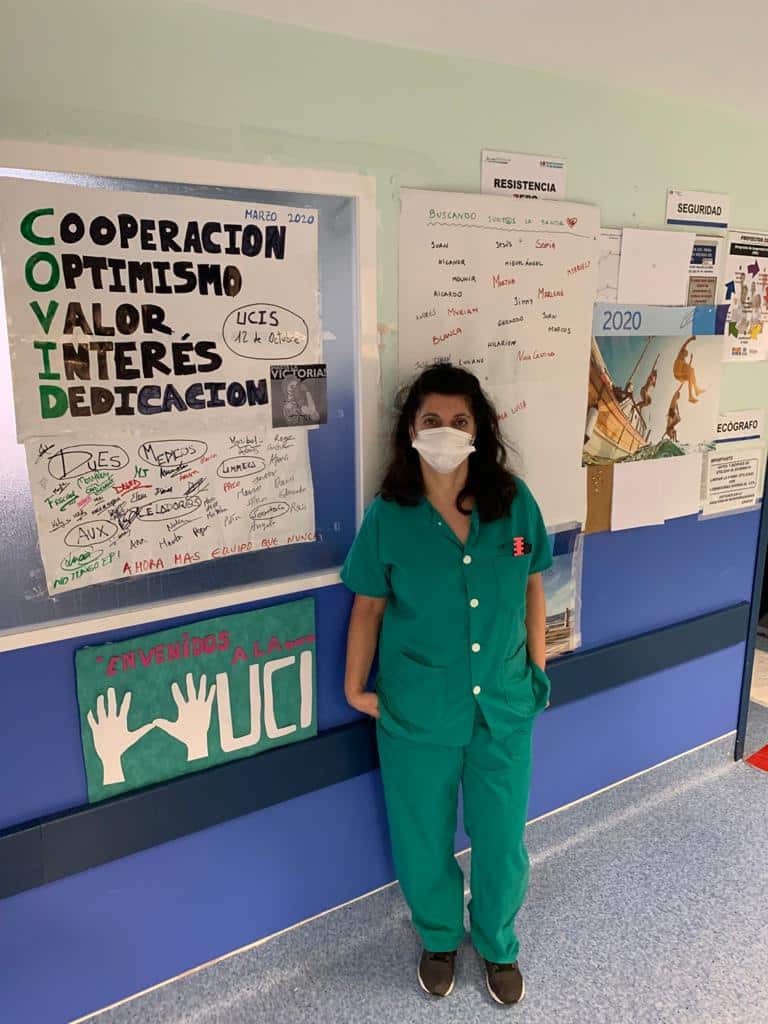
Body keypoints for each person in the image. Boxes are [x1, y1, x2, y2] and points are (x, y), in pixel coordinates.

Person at [340, 363, 552, 1006]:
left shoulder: (514, 502)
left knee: (500, 837)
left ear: (479, 430)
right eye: (431, 420)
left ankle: (496, 942)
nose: (445, 430)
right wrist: (355, 689)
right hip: (416, 710)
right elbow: (368, 608)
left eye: (459, 421)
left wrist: (537, 670)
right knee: (422, 834)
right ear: (410, 430)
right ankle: (438, 935)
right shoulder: (388, 516)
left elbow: (534, 585)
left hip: (505, 708)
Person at [672, 337, 705, 404]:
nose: (685, 356)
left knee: (691, 375)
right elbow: (685, 343)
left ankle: (691, 395)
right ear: (683, 352)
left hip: (679, 375)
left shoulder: (684, 360)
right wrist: (691, 339)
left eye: (686, 355)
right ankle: (696, 389)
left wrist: (691, 360)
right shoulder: (680, 353)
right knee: (691, 370)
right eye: (685, 353)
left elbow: (688, 367)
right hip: (677, 370)